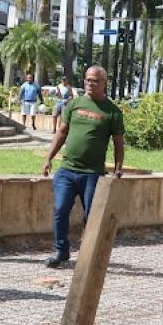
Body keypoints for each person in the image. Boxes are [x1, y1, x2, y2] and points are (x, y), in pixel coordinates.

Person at [41, 65, 125, 268]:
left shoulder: (112, 112)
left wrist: (118, 169)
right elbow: (61, 133)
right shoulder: (74, 104)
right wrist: (49, 158)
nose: (90, 83)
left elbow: (118, 143)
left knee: (91, 216)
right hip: (67, 170)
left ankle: (88, 254)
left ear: (104, 83)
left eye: (95, 80)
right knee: (61, 209)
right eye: (87, 79)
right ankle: (61, 251)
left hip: (93, 174)